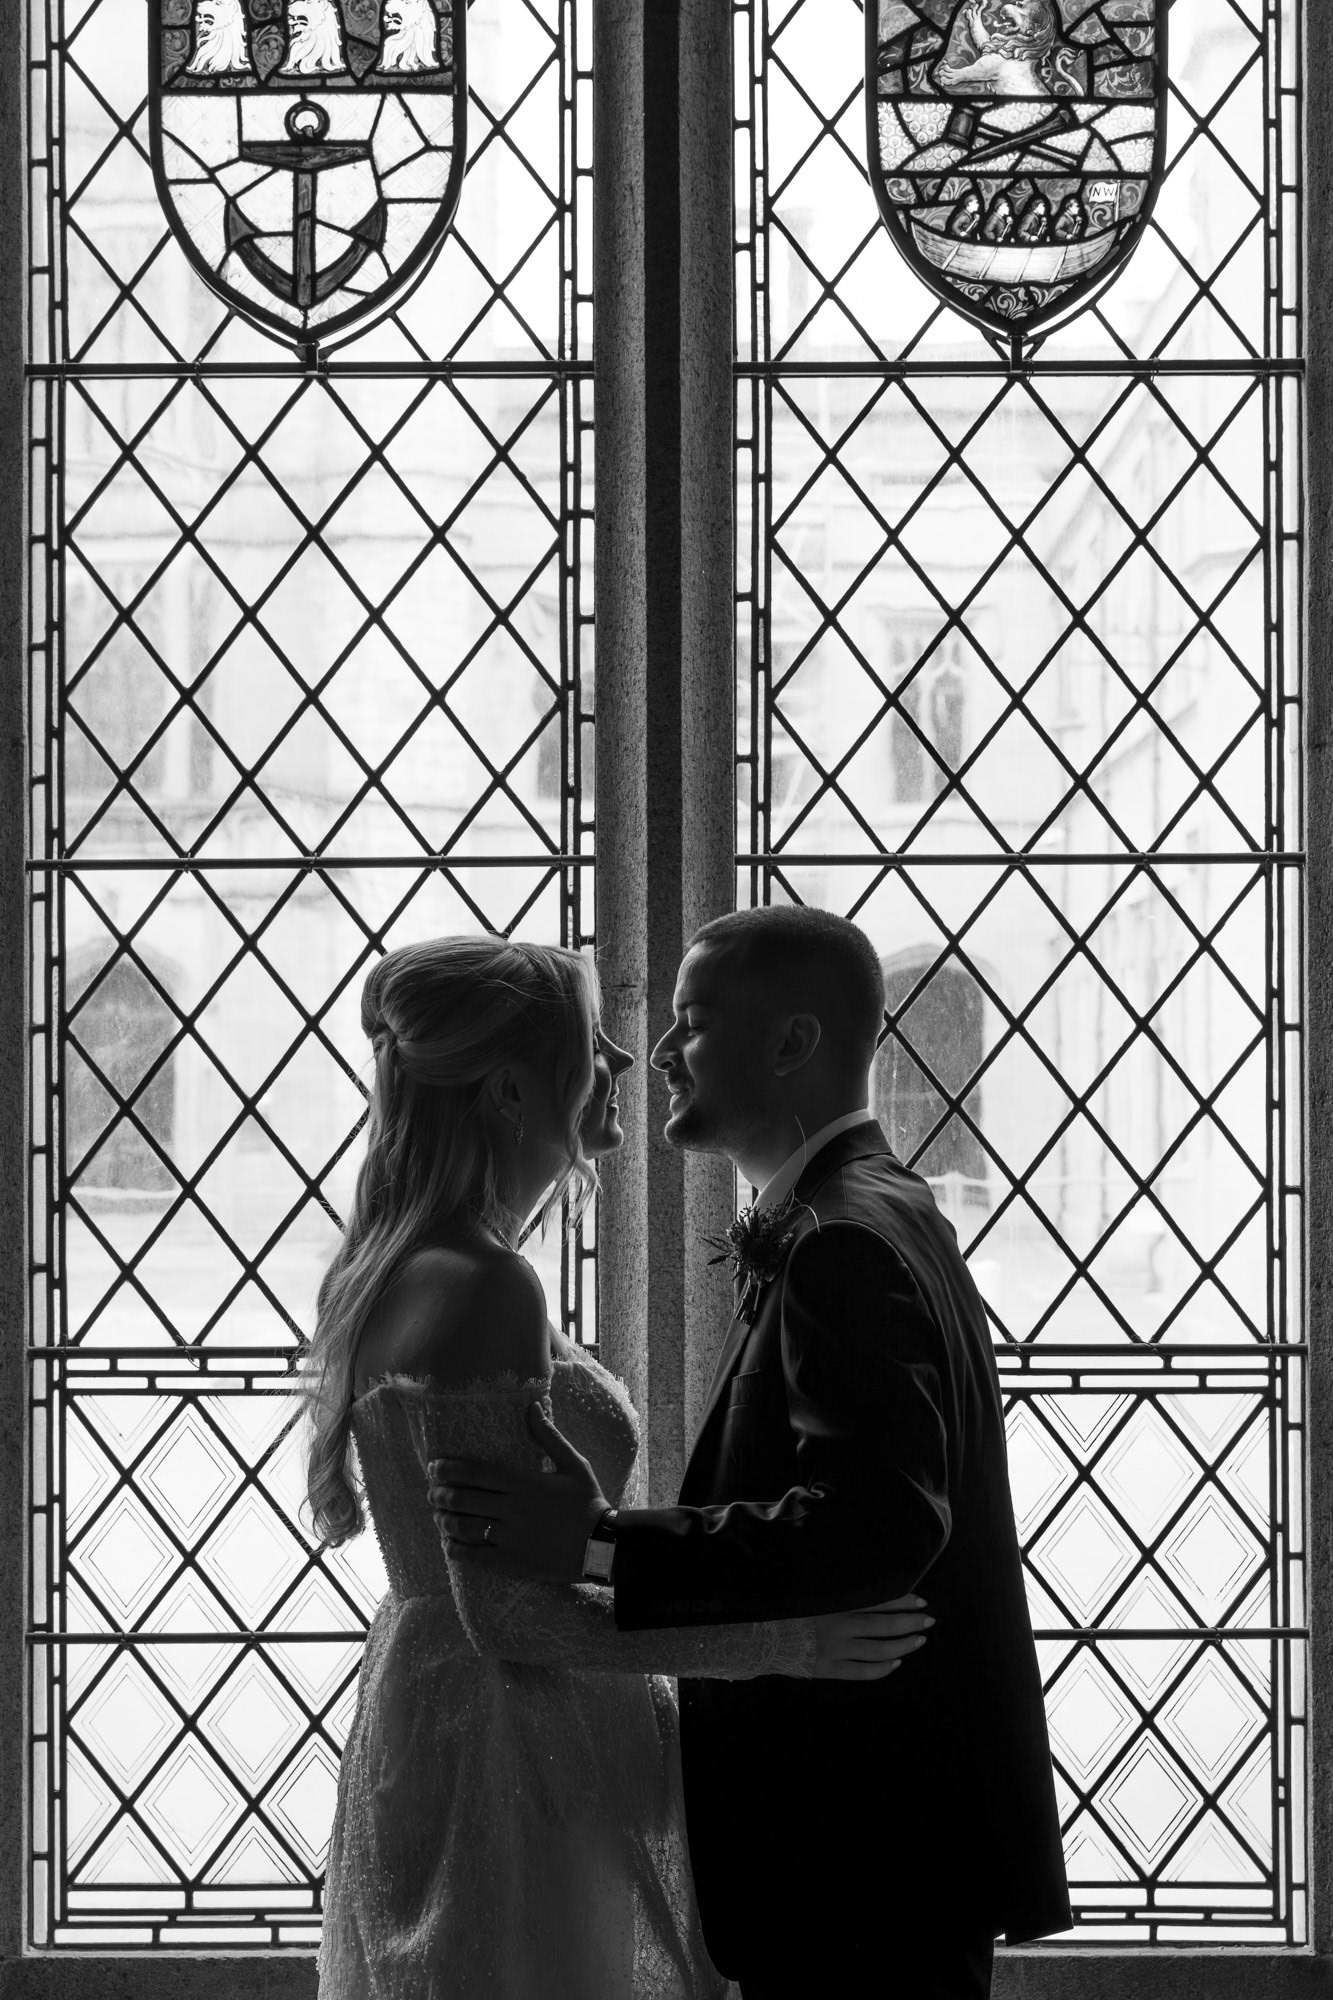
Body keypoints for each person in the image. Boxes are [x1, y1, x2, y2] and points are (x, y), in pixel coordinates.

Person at [432, 906, 1071, 1999]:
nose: (660, 1054)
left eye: (691, 1021)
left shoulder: (841, 1242)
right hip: (879, 1840)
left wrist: (597, 1544)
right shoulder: (877, 1207)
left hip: (860, 1850)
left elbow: (876, 1520)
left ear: (791, 1043)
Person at [308, 935, 932, 2000]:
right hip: (510, 1745)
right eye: (590, 1039)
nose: (625, 1059)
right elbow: (510, 1614)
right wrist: (784, 1644)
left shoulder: (406, 1260)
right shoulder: (485, 1281)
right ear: (512, 1089)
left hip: (446, 1716)